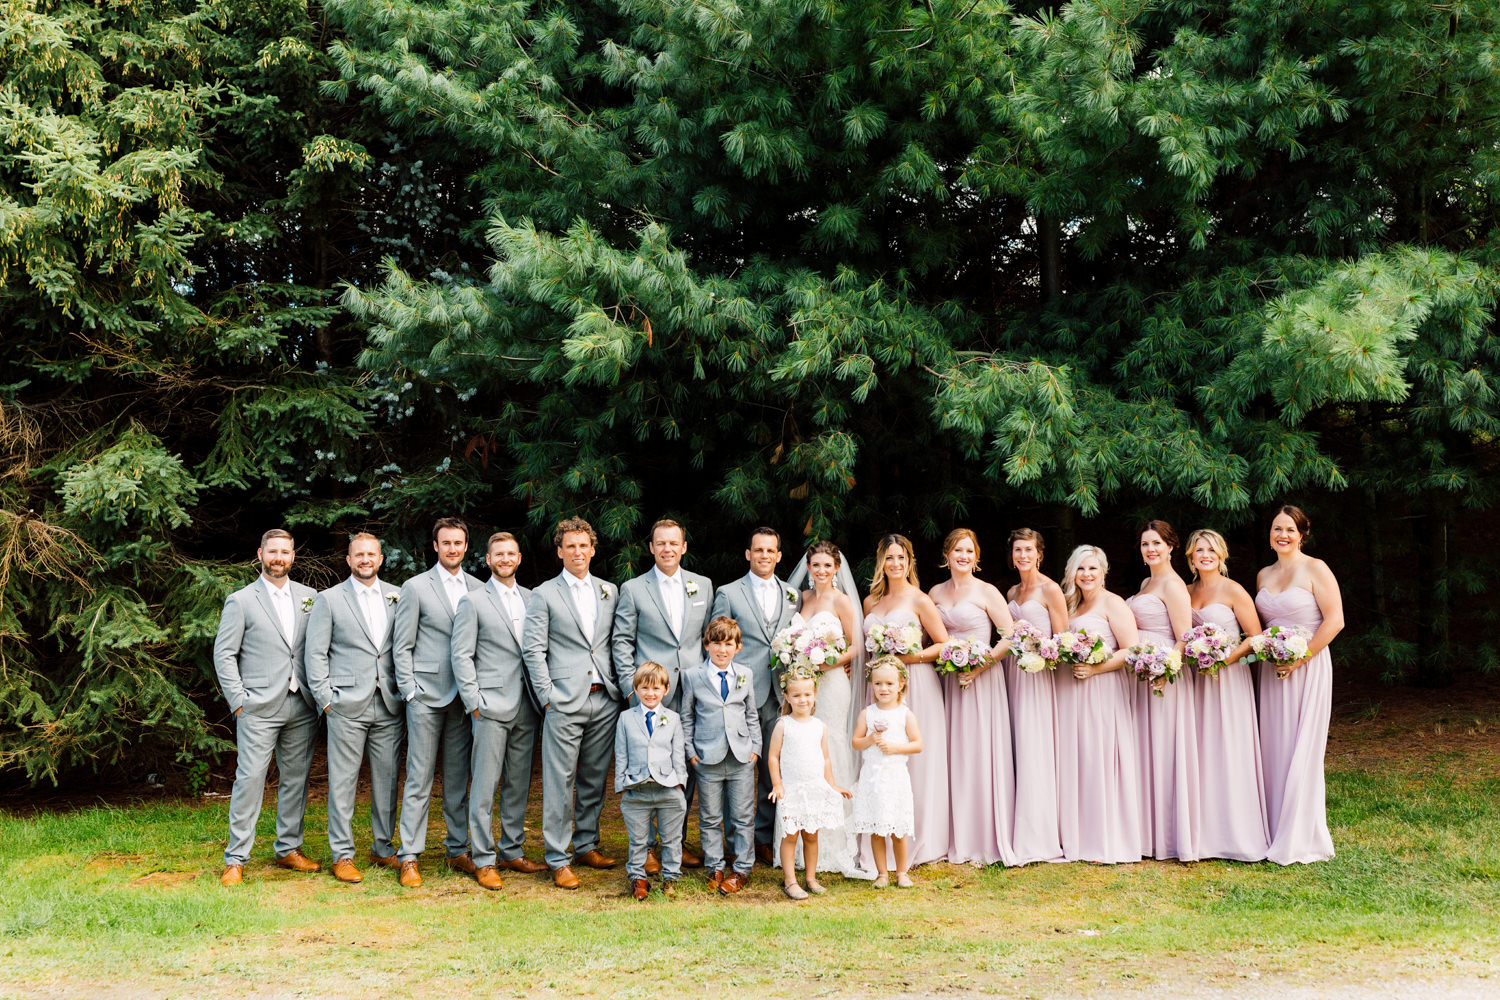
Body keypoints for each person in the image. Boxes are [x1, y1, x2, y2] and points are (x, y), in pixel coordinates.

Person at [213, 528, 321, 887]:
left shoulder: (310, 598)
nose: (279, 558)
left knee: (296, 780)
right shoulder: (241, 601)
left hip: (301, 704)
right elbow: (224, 654)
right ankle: (236, 858)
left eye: (285, 552)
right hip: (257, 706)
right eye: (272, 551)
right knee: (250, 779)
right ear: (260, 555)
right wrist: (238, 702)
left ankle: (288, 848)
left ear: (293, 556)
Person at [522, 516, 623, 889]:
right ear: (560, 552)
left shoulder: (610, 590)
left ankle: (586, 845)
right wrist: (547, 697)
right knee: (559, 781)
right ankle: (557, 857)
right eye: (571, 546)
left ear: (593, 550)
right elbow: (533, 650)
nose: (578, 552)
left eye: (584, 546)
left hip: (604, 699)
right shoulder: (544, 594)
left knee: (594, 779)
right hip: (563, 701)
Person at [304, 532, 405, 883]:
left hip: (388, 703)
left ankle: (382, 847)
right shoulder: (329, 600)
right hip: (345, 704)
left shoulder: (397, 596)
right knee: (343, 783)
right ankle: (343, 854)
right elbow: (315, 654)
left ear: (381, 559)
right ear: (348, 560)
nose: (365, 559)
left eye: (371, 554)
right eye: (358, 554)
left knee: (387, 781)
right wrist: (326, 700)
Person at [611, 518, 712, 869]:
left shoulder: (702, 585)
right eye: (661, 543)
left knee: (685, 764)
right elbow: (622, 641)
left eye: (674, 543)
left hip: (693, 692)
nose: (668, 549)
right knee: (648, 761)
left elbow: (708, 639)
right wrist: (631, 689)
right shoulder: (633, 588)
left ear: (683, 547)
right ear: (651, 548)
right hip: (651, 692)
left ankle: (675, 841)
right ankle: (648, 849)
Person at [450, 531, 546, 891]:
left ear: (519, 558)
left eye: (511, 553)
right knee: (485, 785)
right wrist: (474, 702)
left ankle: (512, 850)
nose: (505, 559)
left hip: (527, 704)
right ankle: (483, 858)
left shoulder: (533, 598)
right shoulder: (473, 601)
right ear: (488, 560)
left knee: (518, 783)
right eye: (498, 554)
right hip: (490, 705)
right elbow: (461, 654)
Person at [392, 517, 485, 888]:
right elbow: (402, 645)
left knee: (458, 779)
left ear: (466, 546)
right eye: (446, 543)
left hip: (463, 699)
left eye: (458, 543)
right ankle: (409, 855)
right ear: (435, 546)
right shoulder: (415, 587)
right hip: (426, 696)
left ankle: (457, 848)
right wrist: (410, 690)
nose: (452, 549)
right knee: (419, 778)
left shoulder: (479, 589)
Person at [1255, 504, 1344, 864]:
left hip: (1307, 665)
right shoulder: (1263, 574)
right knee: (1273, 745)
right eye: (1277, 529)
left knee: (1302, 745)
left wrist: (1300, 657)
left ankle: (1300, 834)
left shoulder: (1316, 568)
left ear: (1302, 535)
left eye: (1290, 529)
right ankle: (1272, 828)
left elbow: (1335, 621)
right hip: (1272, 669)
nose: (1283, 535)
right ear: (1270, 534)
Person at [710, 527, 801, 865]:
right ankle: (736, 841)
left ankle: (764, 837)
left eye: (770, 550)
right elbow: (716, 640)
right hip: (739, 695)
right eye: (758, 550)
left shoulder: (792, 594)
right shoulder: (728, 592)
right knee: (737, 767)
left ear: (779, 556)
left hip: (780, 693)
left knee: (773, 766)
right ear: (748, 554)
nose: (764, 555)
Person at [780, 540, 870, 879]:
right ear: (808, 567)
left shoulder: (842, 601)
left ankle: (834, 841)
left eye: (827, 566)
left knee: (828, 747)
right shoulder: (801, 599)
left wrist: (827, 663)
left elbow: (856, 646)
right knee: (801, 750)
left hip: (831, 686)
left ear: (836, 569)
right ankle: (799, 836)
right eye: (815, 565)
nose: (821, 571)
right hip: (802, 687)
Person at [930, 529, 1018, 867]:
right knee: (952, 752)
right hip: (948, 680)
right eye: (957, 550)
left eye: (969, 551)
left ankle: (982, 837)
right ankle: (953, 835)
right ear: (947, 555)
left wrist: (980, 666)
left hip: (982, 678)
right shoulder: (935, 592)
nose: (963, 556)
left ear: (976, 557)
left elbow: (1010, 637)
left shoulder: (987, 591)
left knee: (980, 750)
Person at [863, 533, 949, 866]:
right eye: (889, 557)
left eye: (901, 557)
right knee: (881, 759)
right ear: (881, 562)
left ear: (910, 561)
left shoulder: (920, 600)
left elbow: (942, 644)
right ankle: (881, 837)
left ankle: (919, 839)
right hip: (880, 689)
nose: (895, 563)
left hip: (916, 686)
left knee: (915, 763)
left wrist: (907, 657)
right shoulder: (871, 602)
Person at [1186, 528, 1269, 862]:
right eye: (1199, 550)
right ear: (1190, 557)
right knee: (1201, 748)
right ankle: (1203, 831)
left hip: (1229, 678)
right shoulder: (1186, 592)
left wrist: (1225, 659)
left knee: (1228, 746)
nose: (1205, 555)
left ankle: (1236, 833)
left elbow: (1255, 637)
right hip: (1196, 680)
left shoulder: (1234, 590)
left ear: (1221, 555)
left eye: (1211, 550)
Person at [1059, 545, 1143, 864]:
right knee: (1078, 758)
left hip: (1104, 689)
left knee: (1101, 757)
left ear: (1103, 571)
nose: (1087, 574)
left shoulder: (1113, 603)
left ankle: (1106, 837)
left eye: (1092, 568)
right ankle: (1079, 835)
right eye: (1081, 569)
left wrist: (1096, 669)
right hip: (1072, 691)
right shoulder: (1071, 605)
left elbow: (1131, 649)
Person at [1127, 520, 1201, 862]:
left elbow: (1183, 636)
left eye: (1157, 543)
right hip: (1142, 673)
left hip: (1164, 677)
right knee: (1145, 750)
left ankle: (1171, 837)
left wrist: (1166, 670)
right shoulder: (1147, 582)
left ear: (1171, 547)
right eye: (1145, 544)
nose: (1151, 549)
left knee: (1164, 749)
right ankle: (1145, 833)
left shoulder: (1173, 585)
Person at [680, 615, 761, 894]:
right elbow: (687, 717)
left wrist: (755, 750)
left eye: (728, 644)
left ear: (738, 647)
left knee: (742, 816)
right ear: (707, 645)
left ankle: (742, 868)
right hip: (707, 758)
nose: (722, 650)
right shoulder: (693, 676)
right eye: (716, 643)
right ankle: (714, 866)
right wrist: (691, 753)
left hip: (740, 757)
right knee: (710, 817)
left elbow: (751, 714)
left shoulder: (745, 674)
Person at [1004, 528, 1068, 865]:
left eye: (1029, 550)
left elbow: (1062, 640)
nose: (1023, 556)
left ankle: (1037, 835)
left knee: (1033, 746)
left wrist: (1037, 645)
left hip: (1037, 676)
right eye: (1018, 550)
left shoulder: (1050, 589)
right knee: (1015, 745)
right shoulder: (1013, 591)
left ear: (1039, 554)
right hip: (1012, 674)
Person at [767, 670, 852, 900]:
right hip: (792, 790)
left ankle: (811, 877)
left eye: (807, 694)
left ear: (815, 695)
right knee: (790, 836)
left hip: (814, 788)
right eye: (796, 695)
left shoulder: (819, 726)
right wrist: (777, 784)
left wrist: (832, 784)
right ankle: (790, 880)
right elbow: (773, 757)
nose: (802, 700)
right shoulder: (783, 725)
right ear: (787, 696)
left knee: (812, 835)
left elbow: (825, 758)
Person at [615, 661, 688, 901]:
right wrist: (622, 786)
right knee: (638, 840)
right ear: (636, 689)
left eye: (656, 688)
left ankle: (671, 877)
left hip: (668, 787)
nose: (650, 693)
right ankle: (638, 878)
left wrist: (680, 784)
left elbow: (678, 755)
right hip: (637, 788)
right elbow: (621, 753)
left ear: (666, 690)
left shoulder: (673, 718)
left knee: (671, 839)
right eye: (645, 688)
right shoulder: (626, 718)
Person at [851, 656, 922, 887]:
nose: (884, 688)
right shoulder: (867, 713)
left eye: (890, 684)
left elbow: (918, 744)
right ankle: (882, 873)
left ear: (901, 684)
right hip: (872, 779)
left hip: (895, 778)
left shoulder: (905, 714)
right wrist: (870, 739)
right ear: (872, 684)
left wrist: (895, 748)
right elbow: (856, 742)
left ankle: (901, 872)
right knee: (876, 829)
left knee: (898, 829)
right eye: (878, 683)